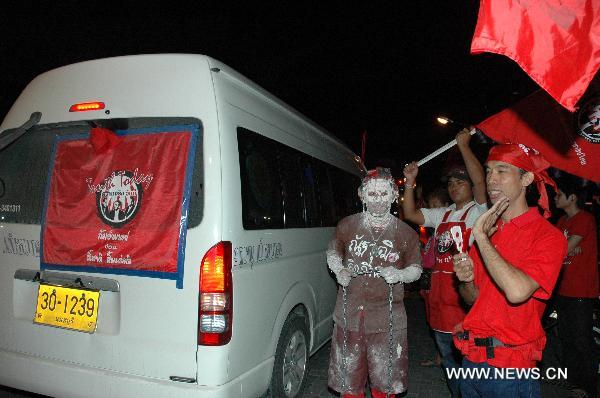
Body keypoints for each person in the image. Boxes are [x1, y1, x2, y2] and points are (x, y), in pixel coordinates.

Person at [453, 143, 568, 397]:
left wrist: (481, 238)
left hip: (511, 369)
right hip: (471, 361)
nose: (491, 179)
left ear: (526, 178)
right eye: (489, 170)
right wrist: (466, 280)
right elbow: (472, 299)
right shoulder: (490, 230)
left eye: (502, 171)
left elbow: (517, 292)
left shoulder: (548, 236)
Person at [403, 128, 487, 397]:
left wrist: (463, 146)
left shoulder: (479, 211)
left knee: (470, 366)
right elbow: (410, 213)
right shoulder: (443, 214)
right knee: (451, 365)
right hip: (440, 303)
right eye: (450, 183)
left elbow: (481, 183)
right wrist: (409, 182)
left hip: (464, 305)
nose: (454, 186)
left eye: (460, 182)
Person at [326, 167, 422, 398]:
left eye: (383, 194)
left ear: (393, 195)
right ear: (362, 195)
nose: (378, 200)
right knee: (350, 381)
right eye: (372, 194)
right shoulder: (347, 225)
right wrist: (339, 270)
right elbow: (333, 252)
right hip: (350, 313)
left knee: (385, 381)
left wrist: (399, 275)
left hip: (387, 317)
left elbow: (417, 270)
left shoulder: (406, 233)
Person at [554, 178, 599, 397]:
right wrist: (567, 249)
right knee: (566, 338)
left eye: (559, 194)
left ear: (572, 198)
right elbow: (555, 248)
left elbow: (560, 249)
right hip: (562, 289)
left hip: (581, 291)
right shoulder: (562, 220)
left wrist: (566, 249)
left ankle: (590, 387)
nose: (555, 197)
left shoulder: (584, 219)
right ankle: (574, 382)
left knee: (582, 340)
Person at [419, 188, 450, 368]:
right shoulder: (431, 233)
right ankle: (440, 356)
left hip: (439, 285)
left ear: (447, 207)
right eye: (430, 207)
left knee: (443, 324)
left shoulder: (447, 232)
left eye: (436, 207)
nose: (433, 211)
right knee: (433, 322)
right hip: (429, 285)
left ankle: (448, 359)